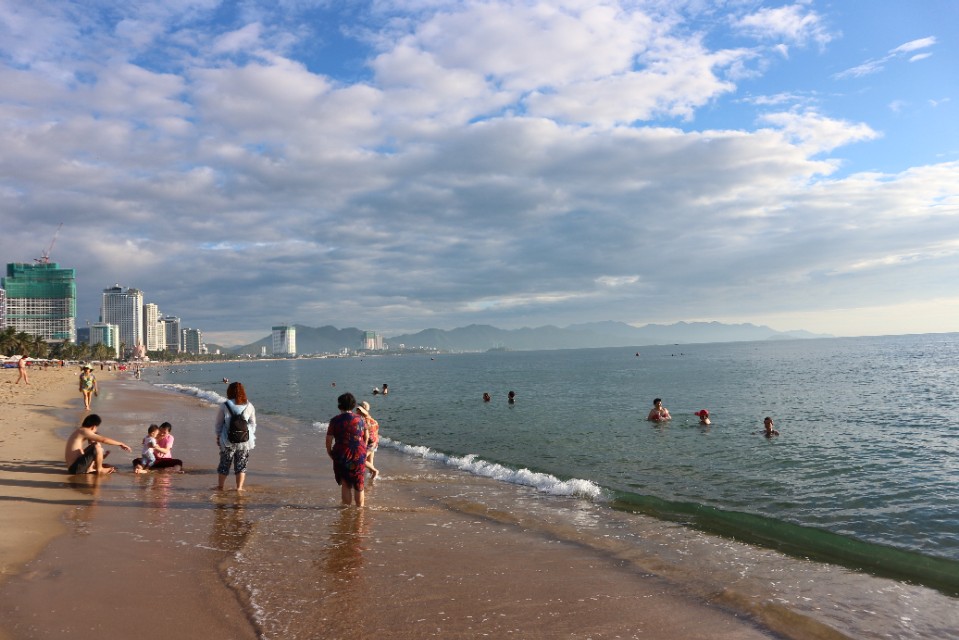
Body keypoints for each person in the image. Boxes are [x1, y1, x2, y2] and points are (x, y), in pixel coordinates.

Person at [326, 392, 369, 506]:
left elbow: (329, 439)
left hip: (342, 453)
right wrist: (363, 449)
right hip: (359, 453)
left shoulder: (335, 420)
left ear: (340, 406)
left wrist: (330, 452)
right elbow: (366, 436)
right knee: (359, 483)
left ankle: (347, 510)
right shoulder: (360, 419)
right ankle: (360, 511)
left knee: (345, 483)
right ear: (354, 405)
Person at [215, 382, 256, 491]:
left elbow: (219, 423)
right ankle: (239, 488)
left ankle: (220, 487)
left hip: (227, 439)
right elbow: (253, 423)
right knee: (241, 465)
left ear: (229, 392)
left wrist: (218, 436)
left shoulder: (225, 405)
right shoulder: (249, 405)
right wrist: (248, 433)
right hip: (244, 441)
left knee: (224, 463)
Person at [64, 414, 132, 474]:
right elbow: (104, 440)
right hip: (75, 468)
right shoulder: (84, 431)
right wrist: (120, 443)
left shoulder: (80, 431)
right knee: (97, 447)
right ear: (94, 427)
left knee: (94, 446)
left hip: (75, 467)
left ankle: (90, 468)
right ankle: (100, 469)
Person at [356, 401, 380, 480]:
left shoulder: (363, 421)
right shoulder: (372, 419)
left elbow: (362, 434)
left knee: (360, 459)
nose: (356, 411)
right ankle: (372, 478)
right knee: (370, 461)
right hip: (375, 442)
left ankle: (375, 471)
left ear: (360, 410)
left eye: (357, 409)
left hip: (370, 443)